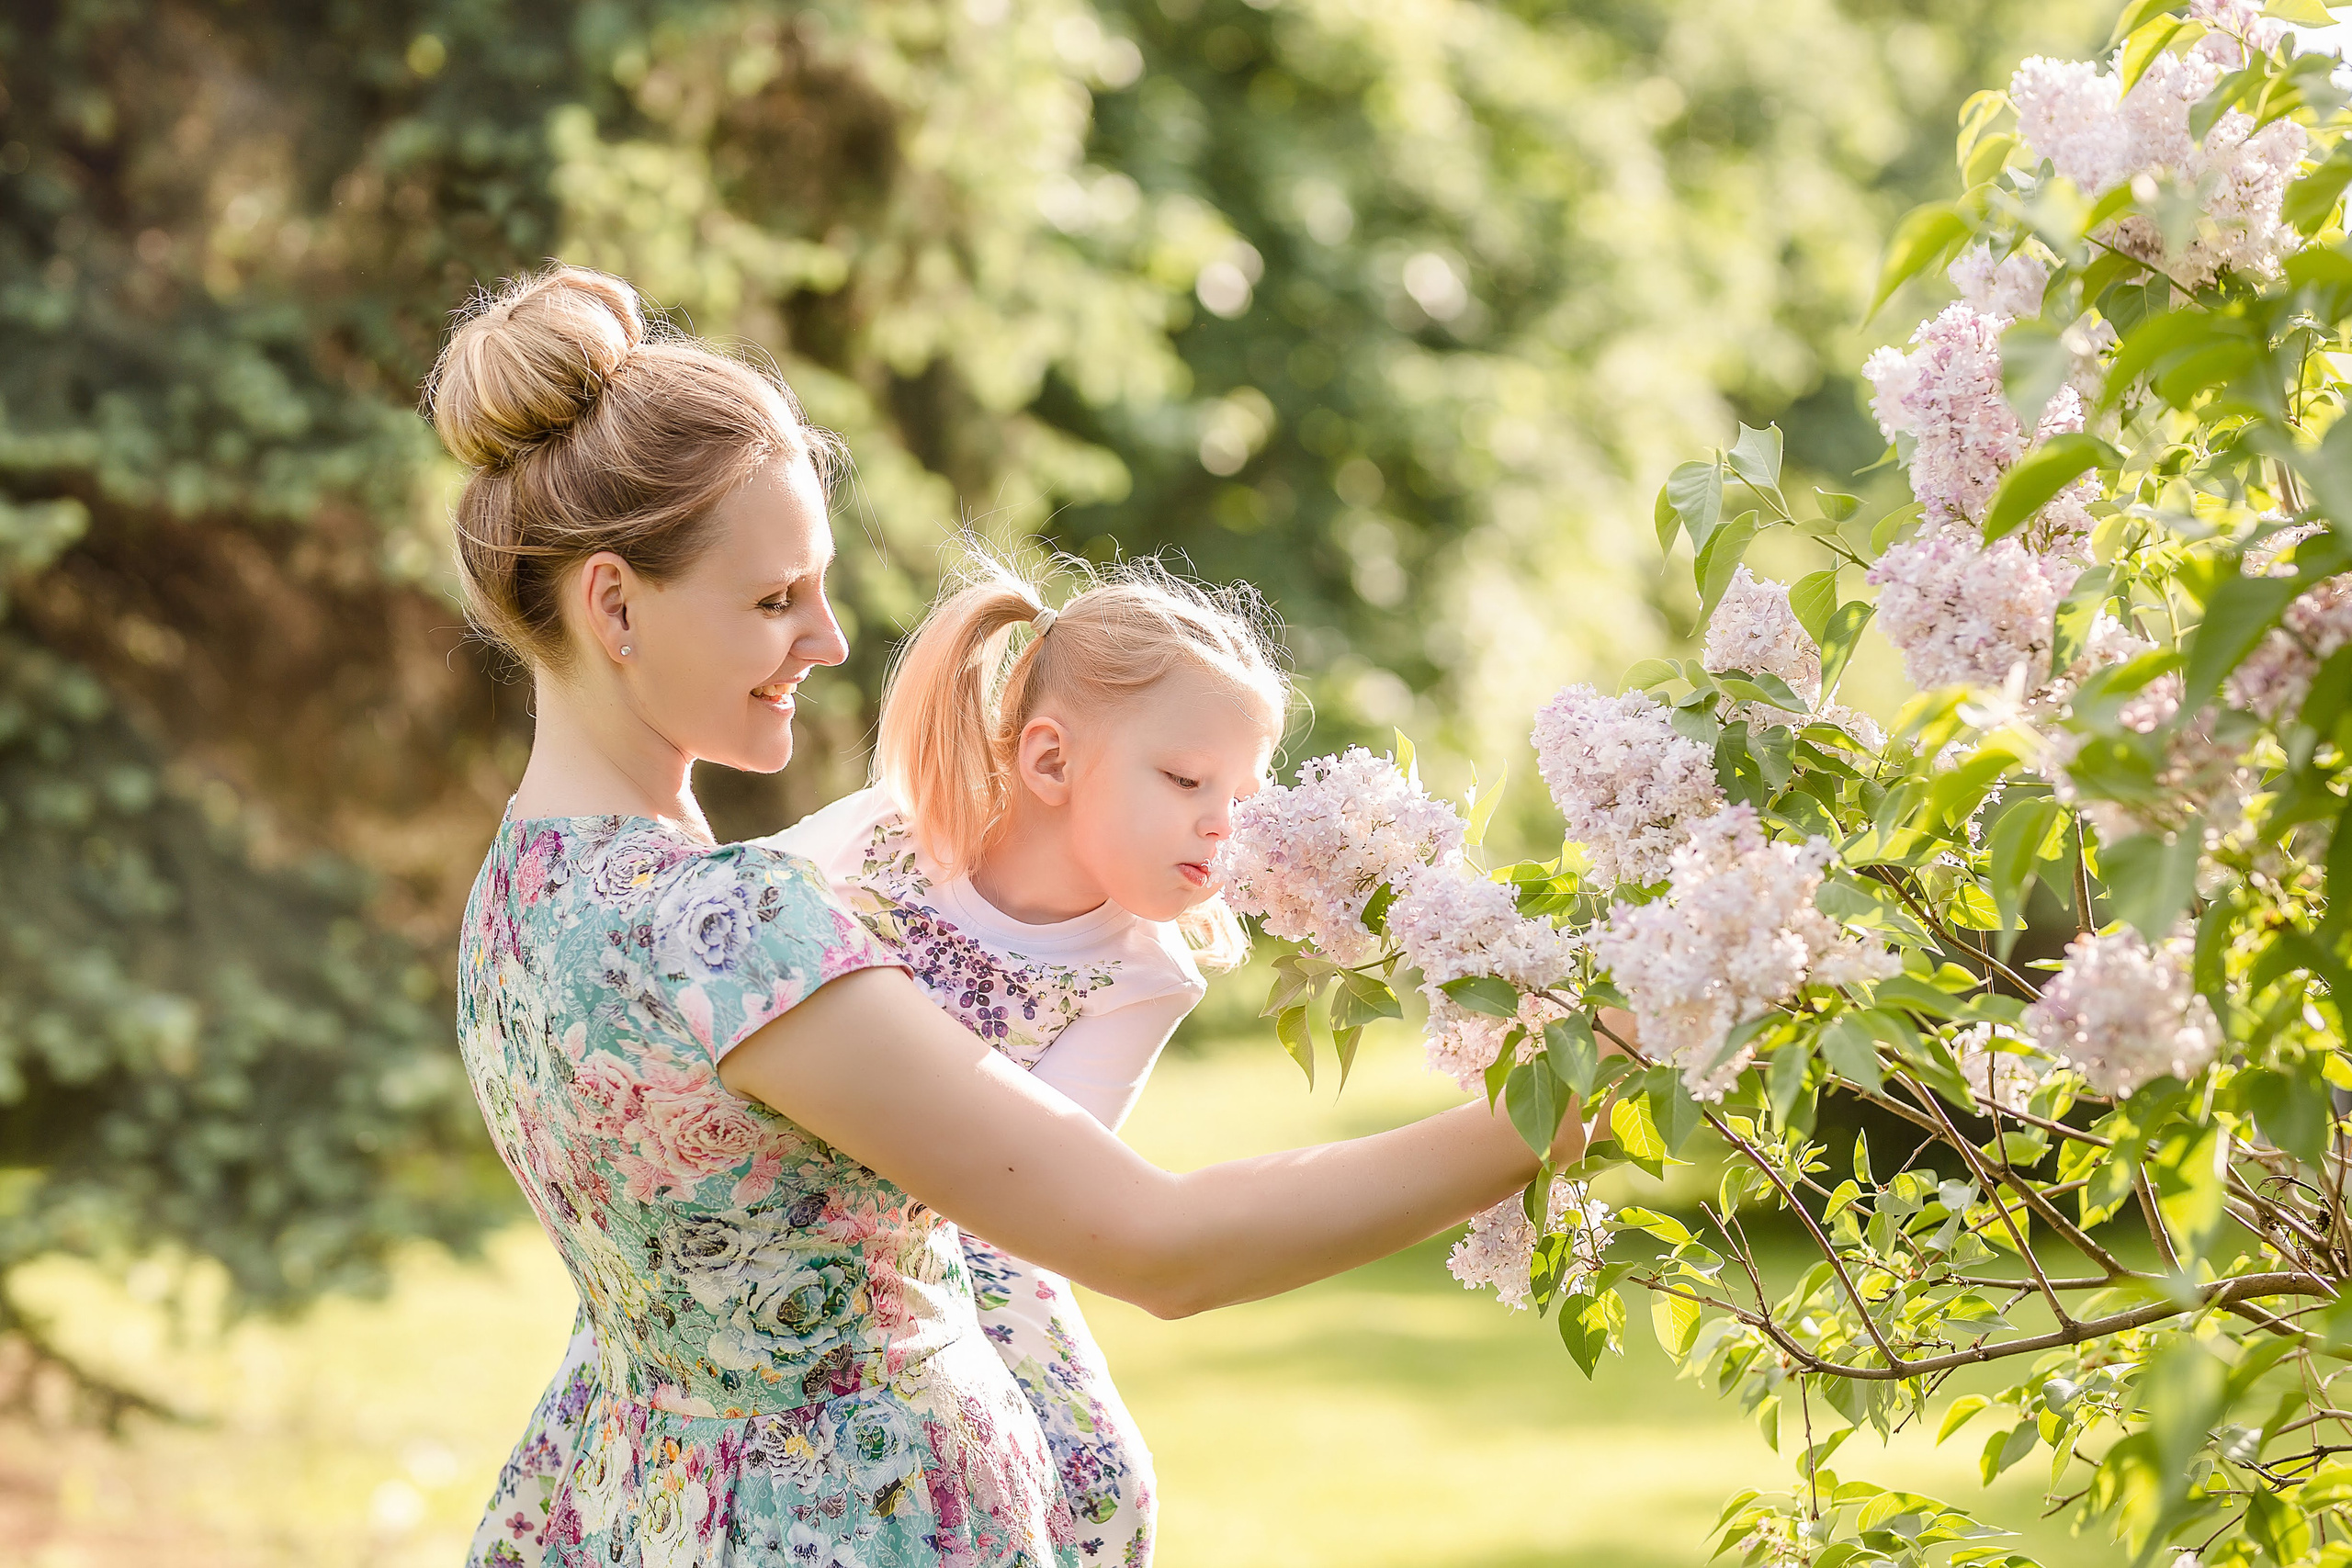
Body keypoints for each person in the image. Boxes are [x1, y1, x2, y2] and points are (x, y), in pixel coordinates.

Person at [436, 263, 1588, 1568]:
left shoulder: (517, 899)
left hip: (633, 1505)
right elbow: (1165, 1244)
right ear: (614, 604)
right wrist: (1548, 1103)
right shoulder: (732, 925)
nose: (824, 636)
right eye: (772, 599)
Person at [475, 550, 1291, 1566]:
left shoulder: (1146, 974)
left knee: (1099, 1481)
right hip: (778, 1213)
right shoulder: (888, 839)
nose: (1223, 823)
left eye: (1246, 795)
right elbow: (728, 983)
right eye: (1184, 780)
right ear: (1049, 762)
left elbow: (1048, 1194)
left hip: (969, 1248)